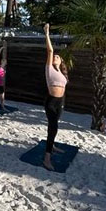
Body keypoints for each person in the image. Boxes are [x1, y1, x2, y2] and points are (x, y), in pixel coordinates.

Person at [43, 23, 67, 171]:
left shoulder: (62, 74)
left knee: (55, 126)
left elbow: (64, 87)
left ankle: (53, 146)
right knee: (53, 127)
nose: (55, 57)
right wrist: (47, 33)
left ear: (61, 61)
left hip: (60, 102)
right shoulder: (49, 68)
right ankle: (47, 158)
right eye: (54, 56)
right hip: (51, 102)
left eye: (58, 56)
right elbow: (50, 50)